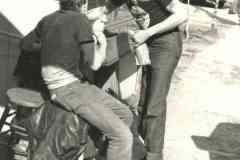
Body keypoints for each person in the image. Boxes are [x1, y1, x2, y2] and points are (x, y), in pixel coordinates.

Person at [27, 0, 133, 160]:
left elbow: (25, 44)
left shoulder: (48, 19)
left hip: (78, 84)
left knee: (126, 115)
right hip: (67, 89)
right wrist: (101, 39)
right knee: (123, 137)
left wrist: (51, 48)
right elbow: (96, 64)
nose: (104, 15)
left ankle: (93, 153)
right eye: (102, 10)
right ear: (83, 5)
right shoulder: (80, 20)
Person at [106, 0, 187, 160]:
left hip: (165, 44)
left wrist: (148, 32)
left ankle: (154, 154)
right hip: (145, 42)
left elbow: (182, 13)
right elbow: (106, 11)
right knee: (141, 101)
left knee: (154, 103)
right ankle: (141, 149)